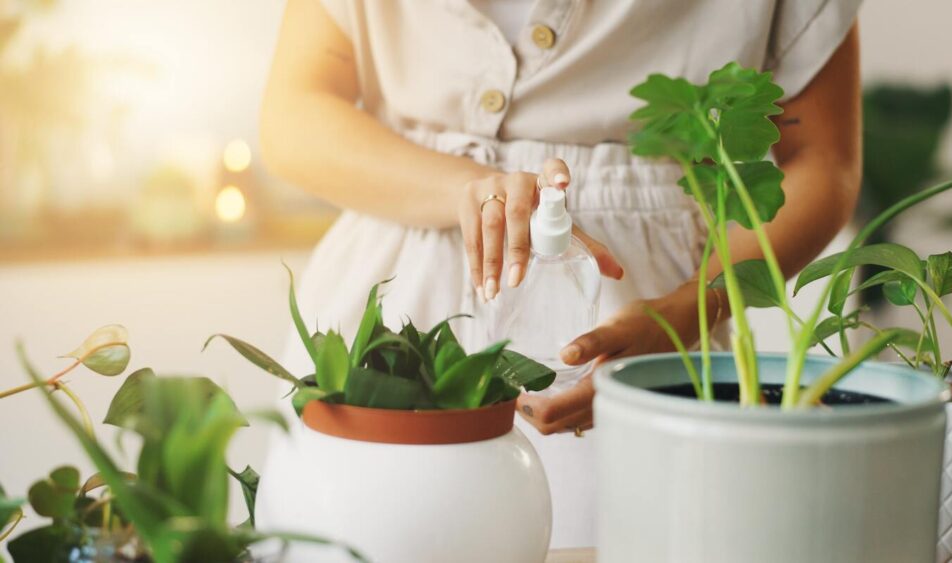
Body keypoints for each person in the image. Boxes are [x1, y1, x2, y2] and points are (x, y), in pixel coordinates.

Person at [261, 0, 862, 549]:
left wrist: (688, 310)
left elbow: (823, 159)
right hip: (391, 297)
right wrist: (462, 188)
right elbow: (294, 115)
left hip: (645, 328)